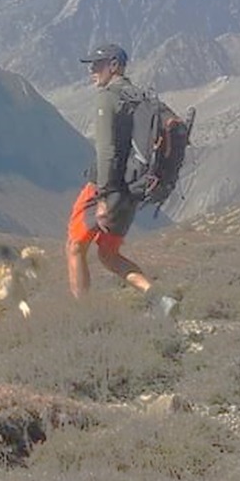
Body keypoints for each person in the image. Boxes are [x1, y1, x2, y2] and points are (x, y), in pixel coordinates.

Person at [66, 42, 179, 318]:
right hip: (132, 190)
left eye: (97, 65)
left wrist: (103, 196)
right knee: (107, 254)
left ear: (114, 65)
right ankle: (159, 299)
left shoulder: (108, 98)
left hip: (105, 187)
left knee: (74, 246)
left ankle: (83, 316)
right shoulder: (139, 96)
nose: (91, 71)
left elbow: (106, 151)